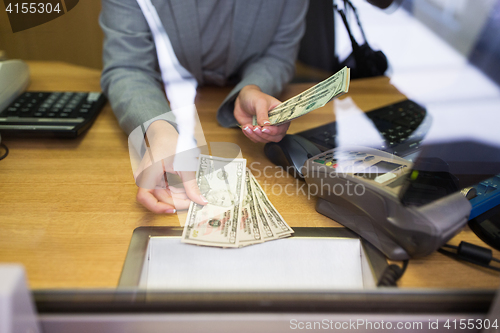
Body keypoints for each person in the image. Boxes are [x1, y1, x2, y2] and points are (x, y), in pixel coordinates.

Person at [100, 0, 309, 214]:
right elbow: (128, 67)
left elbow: (277, 55)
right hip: (163, 100)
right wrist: (159, 129)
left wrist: (253, 87)